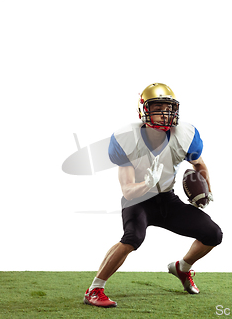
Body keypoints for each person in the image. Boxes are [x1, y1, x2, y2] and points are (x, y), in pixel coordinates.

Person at [83, 83, 223, 308]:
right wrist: (147, 183)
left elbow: (200, 165)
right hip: (137, 200)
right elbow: (127, 190)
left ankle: (182, 268)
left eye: (168, 108)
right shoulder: (125, 138)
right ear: (144, 110)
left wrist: (206, 190)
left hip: (167, 199)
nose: (164, 114)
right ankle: (94, 289)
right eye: (158, 108)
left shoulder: (185, 135)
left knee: (213, 234)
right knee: (132, 238)